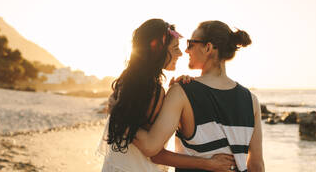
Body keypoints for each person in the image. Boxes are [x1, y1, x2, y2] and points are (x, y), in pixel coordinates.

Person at [98, 19, 237, 172]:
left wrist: (174, 93)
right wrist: (209, 163)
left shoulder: (129, 82)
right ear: (158, 49)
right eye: (175, 48)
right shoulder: (154, 91)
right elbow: (151, 148)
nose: (180, 53)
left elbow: (141, 122)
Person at [134, 20, 265, 172]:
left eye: (190, 44)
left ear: (208, 48)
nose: (186, 51)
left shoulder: (181, 92)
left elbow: (154, 152)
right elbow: (256, 165)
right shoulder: (251, 100)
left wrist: (121, 124)